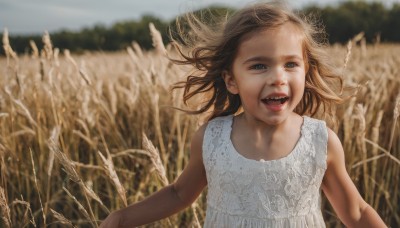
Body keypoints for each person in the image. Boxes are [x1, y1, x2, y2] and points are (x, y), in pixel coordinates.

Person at [100, 2, 387, 227]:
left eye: (290, 64)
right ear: (231, 80)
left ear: (306, 71)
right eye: (259, 66)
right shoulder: (212, 139)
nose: (278, 78)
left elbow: (357, 213)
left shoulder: (319, 141)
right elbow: (179, 194)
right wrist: (122, 218)